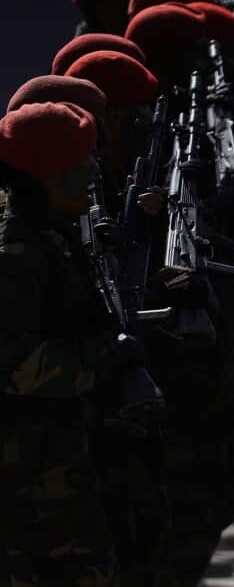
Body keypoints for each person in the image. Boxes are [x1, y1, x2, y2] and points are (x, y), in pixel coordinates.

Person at [0, 101, 118, 586]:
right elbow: (13, 362)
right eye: (80, 161)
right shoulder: (15, 256)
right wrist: (102, 362)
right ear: (49, 174)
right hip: (24, 477)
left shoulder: (50, 230)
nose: (92, 170)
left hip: (51, 458)